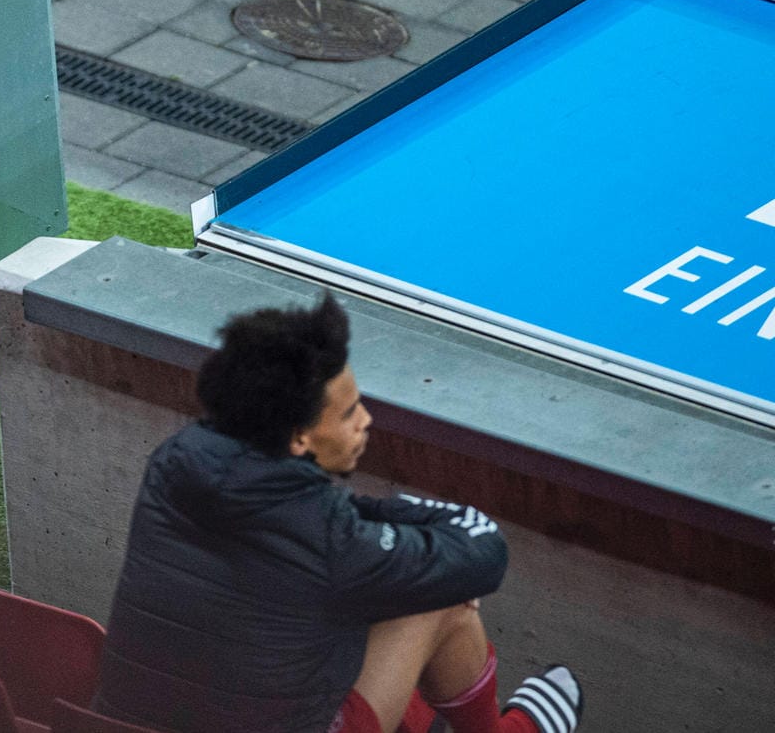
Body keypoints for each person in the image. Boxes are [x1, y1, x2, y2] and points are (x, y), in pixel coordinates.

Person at [94, 294, 584, 733]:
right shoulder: (329, 539)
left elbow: (304, 532)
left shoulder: (171, 462)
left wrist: (366, 524)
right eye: (349, 412)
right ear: (299, 437)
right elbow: (484, 552)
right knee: (443, 600)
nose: (366, 420)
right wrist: (428, 555)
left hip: (125, 722)